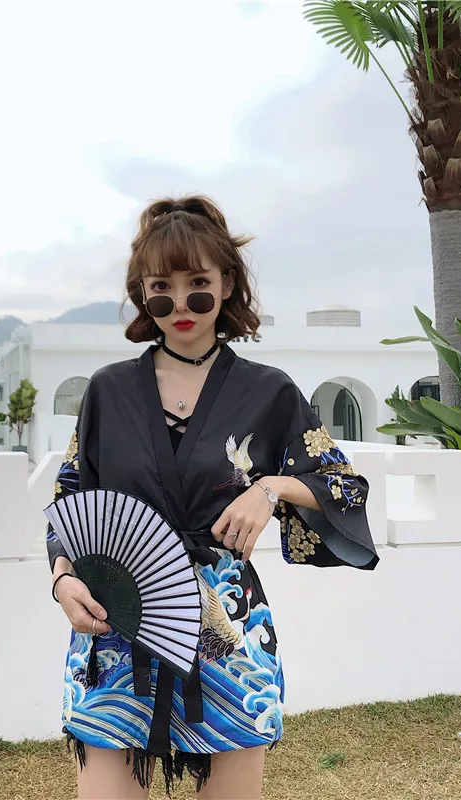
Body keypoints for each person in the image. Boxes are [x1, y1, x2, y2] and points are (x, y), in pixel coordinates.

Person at [46, 195, 379, 800]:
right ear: (142, 293)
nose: (180, 304)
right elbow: (71, 499)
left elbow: (343, 486)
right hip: (117, 618)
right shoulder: (107, 391)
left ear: (227, 284)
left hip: (227, 625)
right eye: (161, 287)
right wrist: (63, 580)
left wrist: (271, 488)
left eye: (198, 284)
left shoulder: (269, 392)